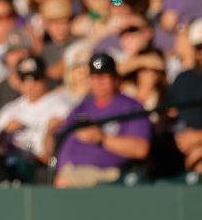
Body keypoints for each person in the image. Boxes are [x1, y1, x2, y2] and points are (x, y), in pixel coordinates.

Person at [53, 52, 151, 187]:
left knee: (64, 182)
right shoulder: (82, 107)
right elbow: (58, 141)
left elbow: (141, 149)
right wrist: (49, 132)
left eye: (104, 76)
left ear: (116, 79)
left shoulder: (131, 107)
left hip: (108, 174)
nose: (99, 82)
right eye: (94, 77)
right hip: (67, 169)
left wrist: (102, 138)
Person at [0, 56, 73, 183]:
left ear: (44, 78)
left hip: (45, 167)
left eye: (35, 79)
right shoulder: (10, 109)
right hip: (12, 165)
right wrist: (4, 132)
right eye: (25, 80)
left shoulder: (62, 105)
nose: (30, 85)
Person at [165, 18, 202, 176]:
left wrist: (199, 139)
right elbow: (170, 115)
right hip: (179, 151)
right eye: (199, 48)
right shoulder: (183, 79)